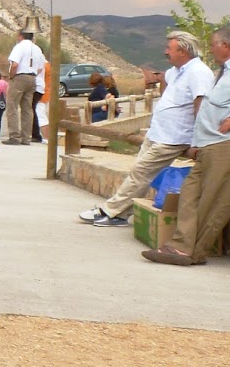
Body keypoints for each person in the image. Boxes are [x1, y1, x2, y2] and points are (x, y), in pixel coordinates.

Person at [79, 31, 214, 229]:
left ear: (183, 51)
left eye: (169, 48)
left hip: (174, 137)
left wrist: (197, 139)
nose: (165, 52)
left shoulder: (199, 72)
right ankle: (120, 213)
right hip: (159, 132)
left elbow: (200, 105)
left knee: (141, 172)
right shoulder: (175, 72)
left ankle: (110, 211)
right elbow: (167, 90)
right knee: (138, 173)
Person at [143, 27, 230, 267]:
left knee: (215, 202)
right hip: (207, 143)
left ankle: (192, 251)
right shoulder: (221, 73)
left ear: (226, 45)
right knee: (190, 194)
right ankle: (180, 247)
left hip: (223, 145)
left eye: (214, 44)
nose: (210, 49)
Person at [2, 29, 46, 146]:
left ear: (21, 36)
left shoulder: (19, 47)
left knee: (12, 106)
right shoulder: (37, 49)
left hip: (20, 77)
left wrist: (12, 76)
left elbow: (15, 64)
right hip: (32, 78)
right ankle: (26, 137)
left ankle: (14, 136)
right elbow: (40, 68)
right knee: (27, 108)